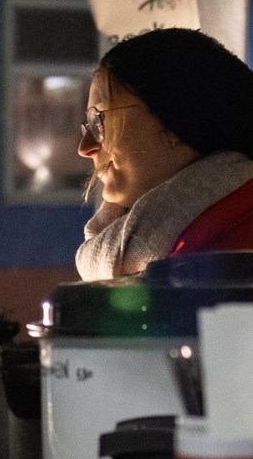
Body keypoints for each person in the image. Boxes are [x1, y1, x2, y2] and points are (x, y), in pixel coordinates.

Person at [76, 27, 253, 280]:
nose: (85, 148)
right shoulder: (204, 237)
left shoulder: (225, 254)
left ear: (175, 122)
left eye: (100, 122)